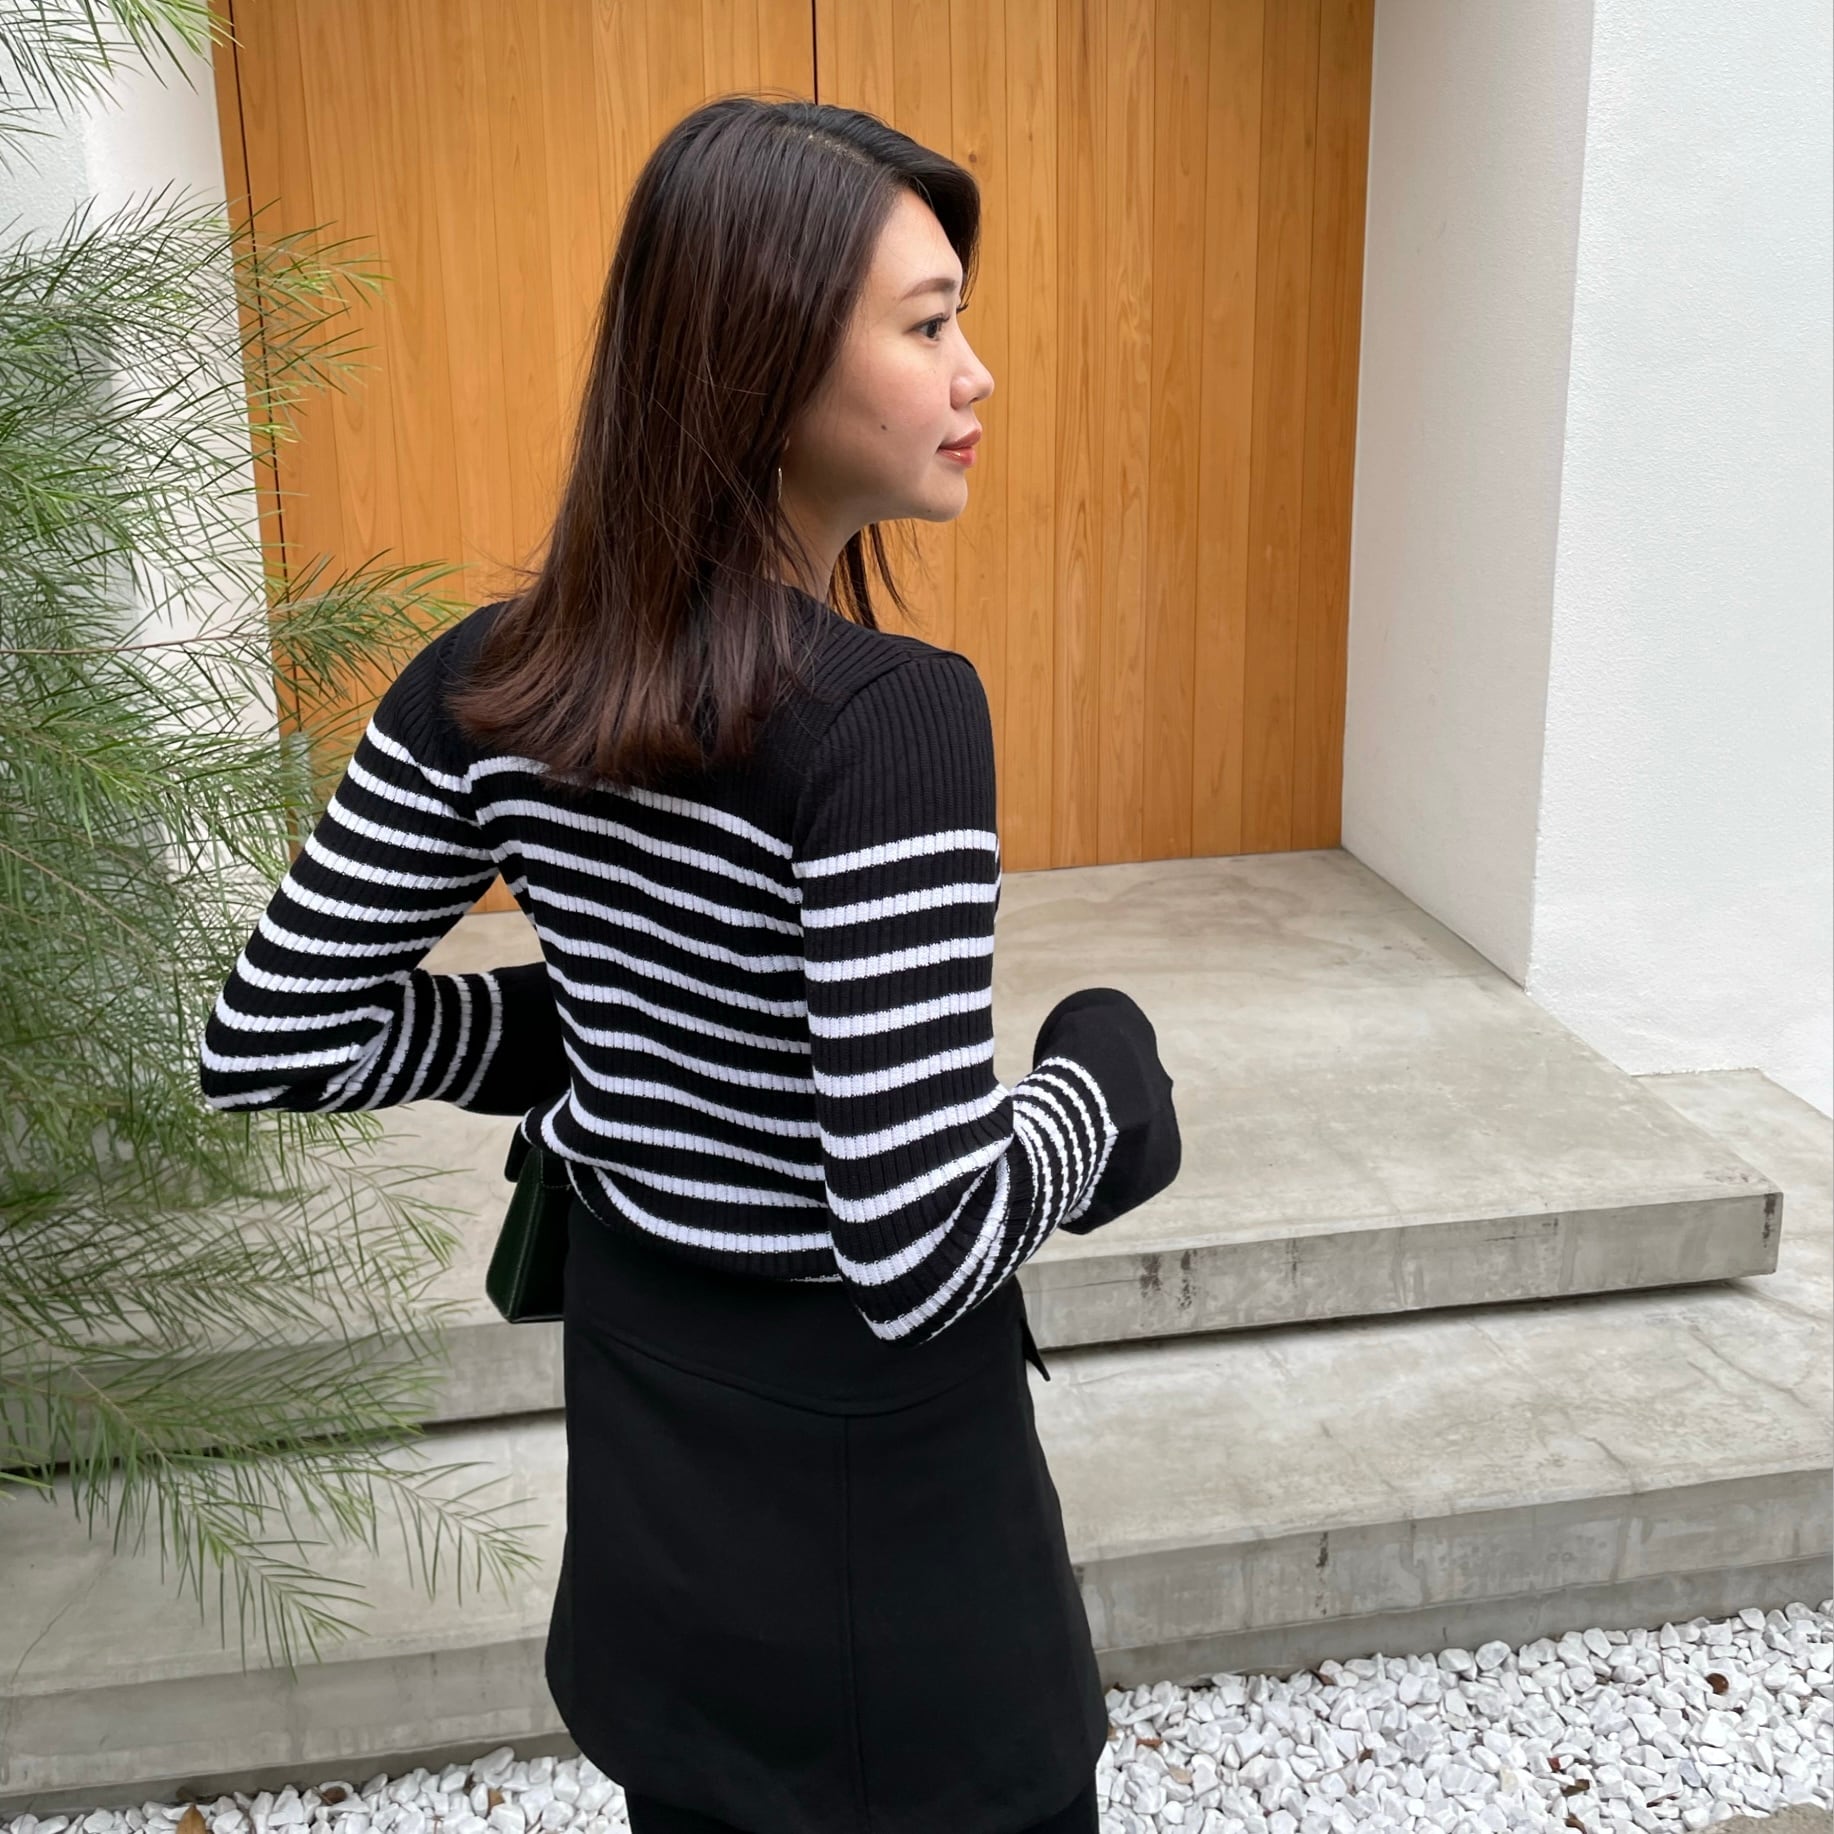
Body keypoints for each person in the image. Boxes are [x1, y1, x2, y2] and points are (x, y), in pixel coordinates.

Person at [198, 95, 1180, 1834]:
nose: (978, 376)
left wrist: (585, 1025)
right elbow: (921, 1244)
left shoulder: (480, 680)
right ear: (761, 364)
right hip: (902, 1565)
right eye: (929, 326)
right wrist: (1102, 1082)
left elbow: (274, 1033)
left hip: (661, 1505)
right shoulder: (888, 720)